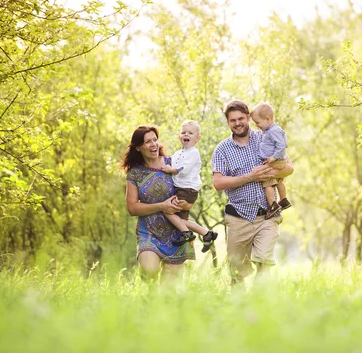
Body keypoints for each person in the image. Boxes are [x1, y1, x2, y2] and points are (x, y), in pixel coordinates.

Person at [212, 100, 294, 284]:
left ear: (249, 117)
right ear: (228, 122)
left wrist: (269, 172)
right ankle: (238, 308)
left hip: (268, 215)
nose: (238, 123)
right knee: (236, 273)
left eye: (241, 118)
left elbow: (289, 168)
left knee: (264, 262)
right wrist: (250, 176)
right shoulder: (222, 150)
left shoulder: (267, 136)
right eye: (233, 120)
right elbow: (218, 182)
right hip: (239, 217)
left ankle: (259, 305)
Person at [122, 125, 195, 278]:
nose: (153, 144)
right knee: (150, 270)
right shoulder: (135, 173)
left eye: (155, 140)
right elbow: (132, 208)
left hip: (176, 232)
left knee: (168, 291)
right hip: (148, 232)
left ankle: (153, 301)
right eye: (147, 142)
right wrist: (162, 206)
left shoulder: (173, 163)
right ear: (138, 147)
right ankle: (148, 287)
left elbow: (191, 191)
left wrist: (186, 205)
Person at [161, 120, 218, 253]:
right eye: (183, 132)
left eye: (190, 133)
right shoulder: (177, 153)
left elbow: (184, 169)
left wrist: (172, 170)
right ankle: (206, 233)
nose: (186, 134)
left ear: (198, 138)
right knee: (181, 220)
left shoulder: (194, 153)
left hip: (187, 189)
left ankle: (186, 233)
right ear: (179, 136)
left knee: (167, 210)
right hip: (180, 188)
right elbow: (170, 163)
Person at [250, 102, 291, 219]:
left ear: (267, 119)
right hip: (277, 161)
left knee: (267, 183)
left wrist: (273, 157)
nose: (257, 125)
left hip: (275, 161)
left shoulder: (273, 131)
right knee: (279, 182)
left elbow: (282, 145)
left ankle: (273, 205)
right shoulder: (273, 130)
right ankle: (283, 200)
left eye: (258, 122)